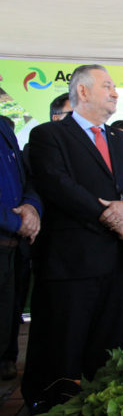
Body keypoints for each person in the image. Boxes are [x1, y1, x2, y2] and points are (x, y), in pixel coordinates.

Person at [24, 64, 123, 412]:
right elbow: (58, 184)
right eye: (107, 86)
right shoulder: (49, 136)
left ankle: (99, 412)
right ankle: (54, 413)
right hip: (72, 261)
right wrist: (111, 218)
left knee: (107, 345)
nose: (115, 92)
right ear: (82, 91)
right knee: (63, 343)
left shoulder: (121, 140)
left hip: (116, 260)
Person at [0, 117, 41, 381]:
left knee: (9, 313)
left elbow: (26, 179)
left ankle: (6, 358)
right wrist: (18, 222)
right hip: (10, 230)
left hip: (14, 246)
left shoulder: (5, 127)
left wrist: (31, 208)